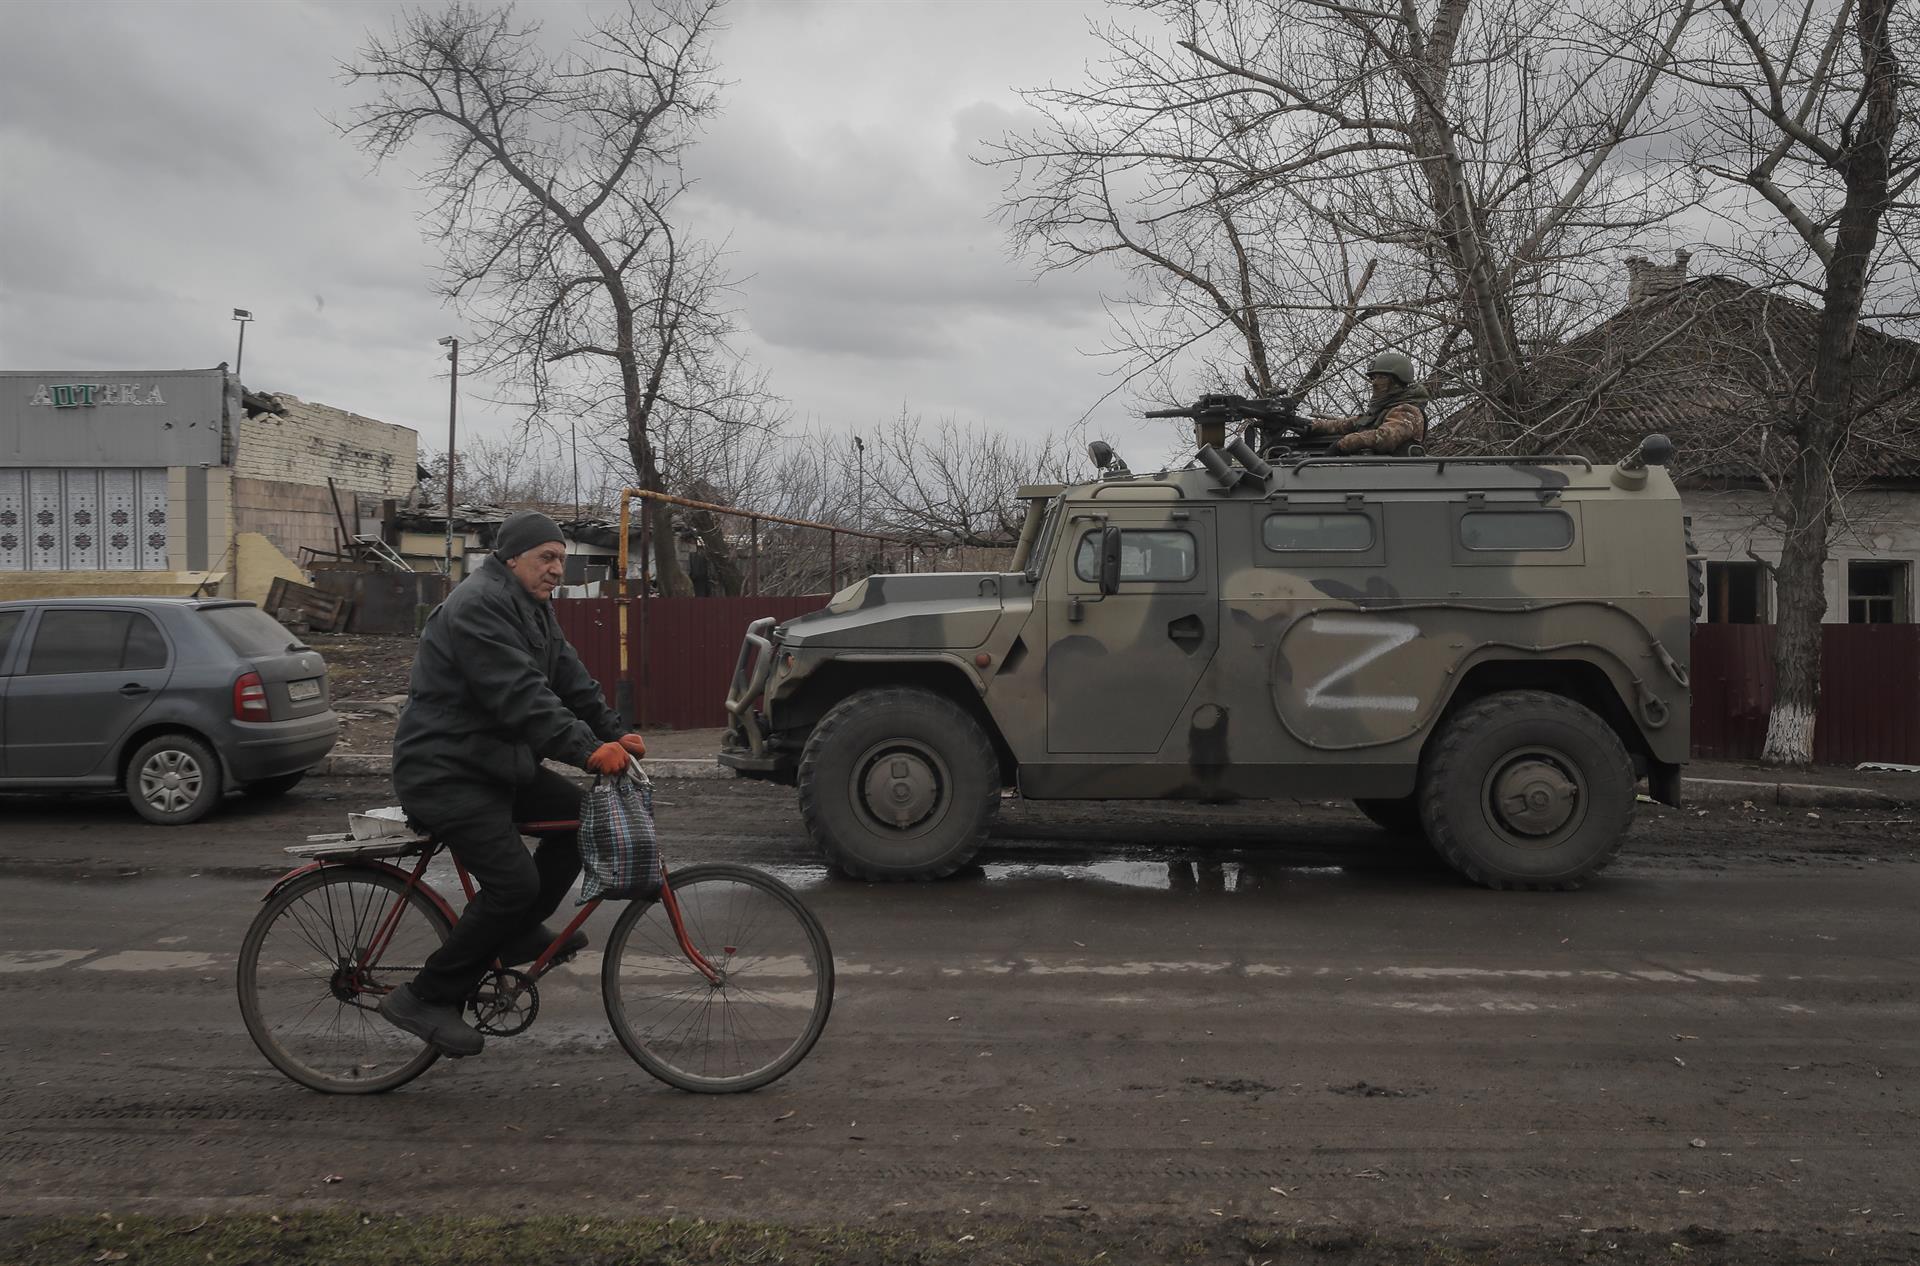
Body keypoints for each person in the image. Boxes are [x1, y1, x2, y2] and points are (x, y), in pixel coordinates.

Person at [379, 510, 645, 1058]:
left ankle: (517, 934)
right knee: (514, 884)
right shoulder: (479, 605)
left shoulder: (533, 607)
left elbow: (570, 680)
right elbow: (520, 695)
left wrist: (617, 734)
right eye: (547, 558)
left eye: (562, 560)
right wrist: (589, 751)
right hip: (445, 770)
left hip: (494, 764)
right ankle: (425, 997)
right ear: (511, 557)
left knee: (580, 823)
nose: (557, 570)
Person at [1306, 351, 1429, 455]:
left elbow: (1385, 438)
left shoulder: (1407, 411)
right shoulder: (1381, 410)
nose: (1375, 383)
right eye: (1373, 378)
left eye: (1382, 377)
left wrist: (1345, 443)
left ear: (1398, 381)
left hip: (1396, 477)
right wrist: (1310, 425)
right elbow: (1345, 424)